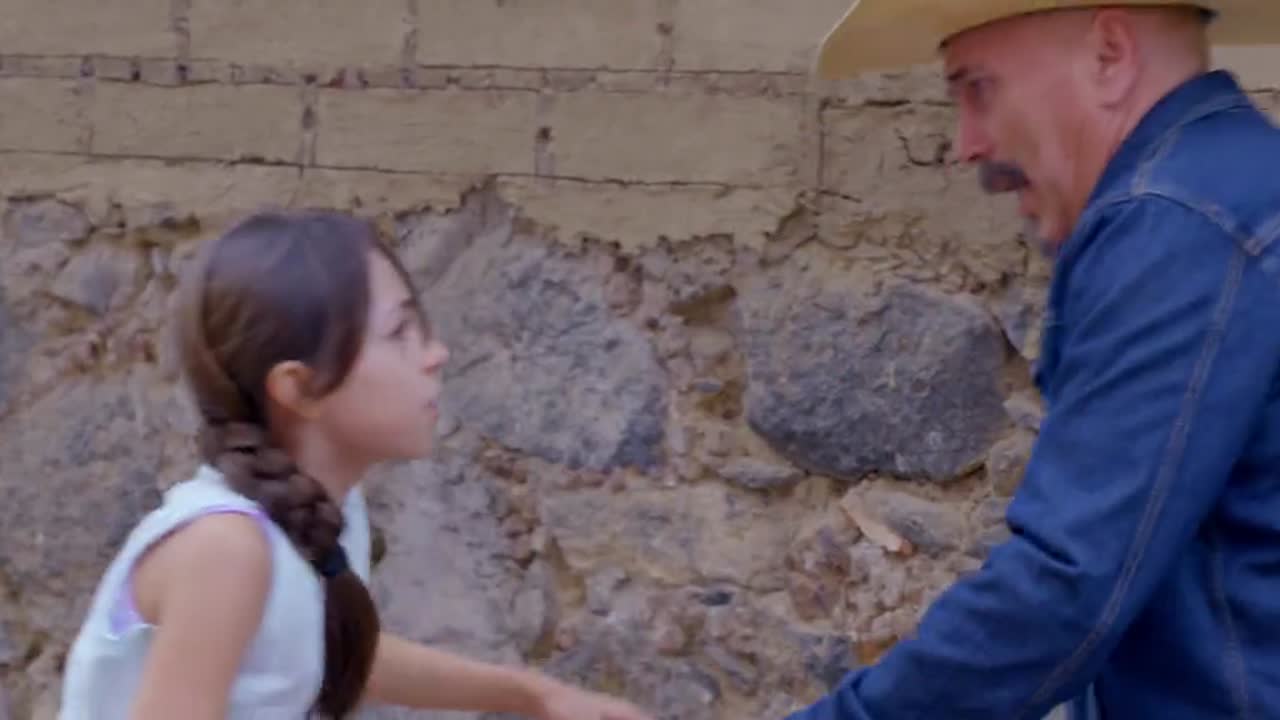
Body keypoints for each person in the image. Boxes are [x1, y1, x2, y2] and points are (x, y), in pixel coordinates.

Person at [785, 2, 1280, 719]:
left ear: (1109, 56)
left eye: (978, 88)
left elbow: (1061, 589)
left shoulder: (1178, 223)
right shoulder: (1233, 184)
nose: (966, 145)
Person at [57, 210, 656, 720]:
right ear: (299, 388)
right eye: (399, 332)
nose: (436, 354)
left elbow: (320, 651)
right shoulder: (225, 550)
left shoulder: (317, 514)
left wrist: (532, 694)